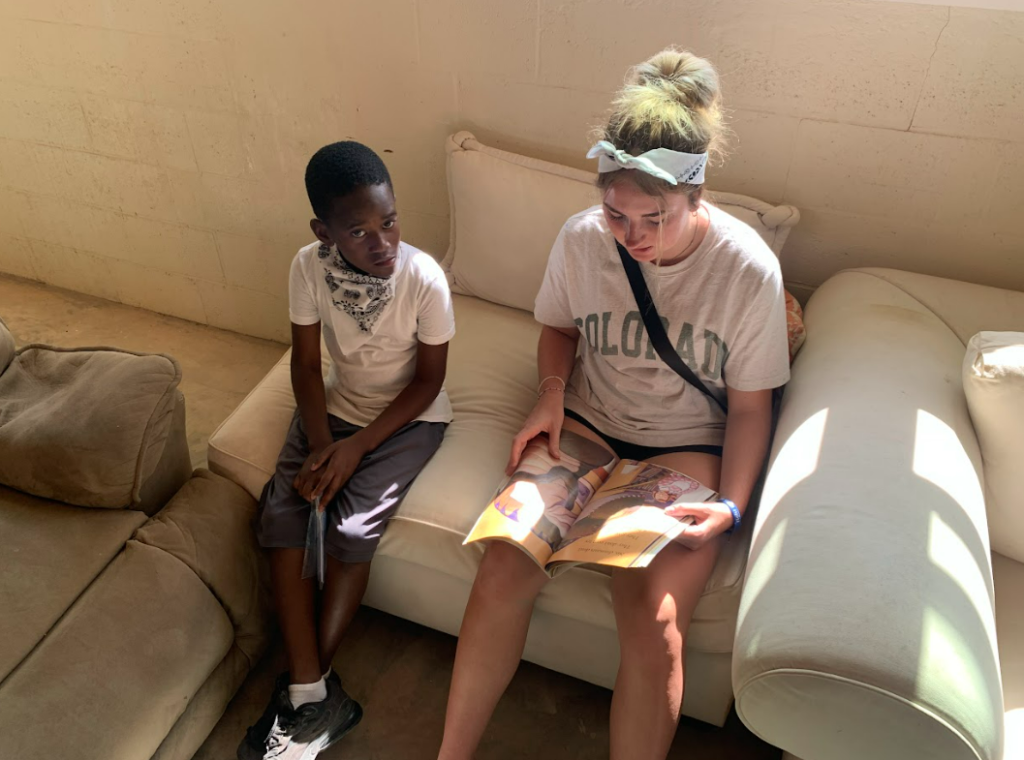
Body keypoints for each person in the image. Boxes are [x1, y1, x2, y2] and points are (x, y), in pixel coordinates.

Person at [437, 48, 790, 760]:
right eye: (615, 213)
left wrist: (732, 506)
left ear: (697, 199)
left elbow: (752, 408)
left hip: (688, 442)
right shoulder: (581, 239)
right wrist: (549, 396)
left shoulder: (747, 268)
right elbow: (560, 329)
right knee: (505, 561)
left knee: (654, 619)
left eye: (653, 218)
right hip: (589, 425)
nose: (631, 237)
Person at [239, 141, 455, 760]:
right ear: (323, 232)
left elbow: (428, 383)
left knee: (353, 528)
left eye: (388, 222)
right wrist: (321, 443)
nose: (381, 242)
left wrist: (356, 448)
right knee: (284, 510)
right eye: (358, 231)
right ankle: (315, 695)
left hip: (408, 420)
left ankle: (303, 690)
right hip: (335, 410)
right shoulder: (306, 268)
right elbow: (307, 367)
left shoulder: (423, 278)